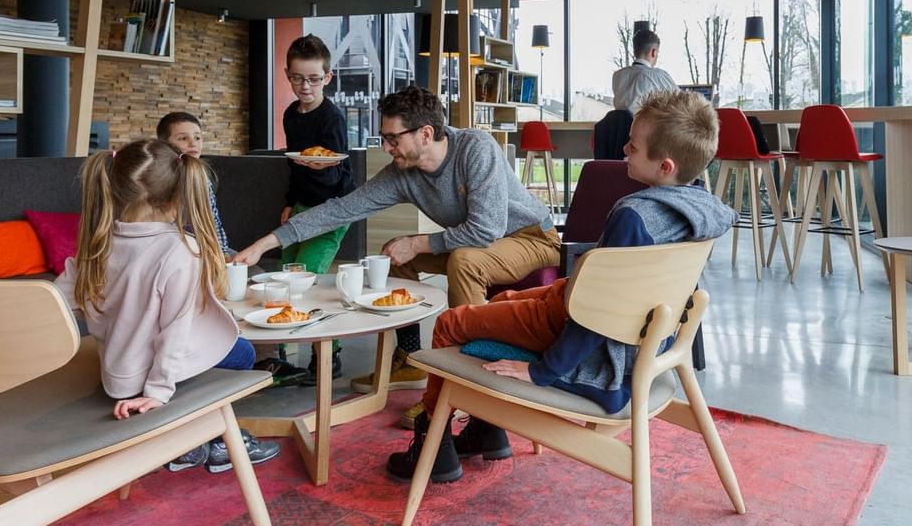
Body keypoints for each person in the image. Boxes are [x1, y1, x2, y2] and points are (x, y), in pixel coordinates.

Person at [384, 89, 737, 484]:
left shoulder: (633, 216)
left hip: (578, 325)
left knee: (451, 323)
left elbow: (595, 318)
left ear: (665, 166)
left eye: (634, 146)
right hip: (633, 331)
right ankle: (486, 429)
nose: (624, 148)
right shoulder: (706, 211)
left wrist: (543, 373)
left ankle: (435, 451)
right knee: (501, 301)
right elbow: (614, 293)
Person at [234, 85, 560, 423]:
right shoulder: (403, 173)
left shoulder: (475, 149)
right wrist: (266, 243)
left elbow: (486, 229)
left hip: (532, 238)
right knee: (392, 255)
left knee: (464, 260)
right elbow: (341, 209)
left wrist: (419, 243)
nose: (387, 148)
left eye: (393, 139)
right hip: (475, 243)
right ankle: (409, 358)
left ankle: (469, 383)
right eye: (384, 138)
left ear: (425, 133)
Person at [56, 139, 280, 475]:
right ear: (178, 197)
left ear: (115, 190)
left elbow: (57, 303)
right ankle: (210, 440)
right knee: (244, 352)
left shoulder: (97, 242)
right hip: (149, 380)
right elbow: (173, 330)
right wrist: (158, 393)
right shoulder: (179, 249)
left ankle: (193, 439)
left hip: (116, 375)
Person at [277, 34, 355, 385]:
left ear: (328, 77)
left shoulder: (332, 118)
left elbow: (336, 172)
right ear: (287, 75)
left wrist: (319, 168)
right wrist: (290, 203)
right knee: (285, 275)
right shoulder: (291, 114)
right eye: (297, 78)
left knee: (308, 277)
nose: (304, 86)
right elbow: (294, 165)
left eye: (312, 78)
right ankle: (277, 351)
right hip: (303, 206)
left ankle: (328, 355)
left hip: (332, 207)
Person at [157, 111, 233, 256]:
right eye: (183, 138)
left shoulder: (202, 177)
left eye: (197, 137)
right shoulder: (161, 179)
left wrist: (222, 254)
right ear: (164, 144)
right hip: (172, 251)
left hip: (205, 247)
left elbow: (213, 222)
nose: (193, 143)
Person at [611, 28, 678, 114]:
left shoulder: (617, 76)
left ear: (635, 51)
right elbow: (685, 102)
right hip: (645, 126)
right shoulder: (658, 76)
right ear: (654, 52)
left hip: (618, 127)